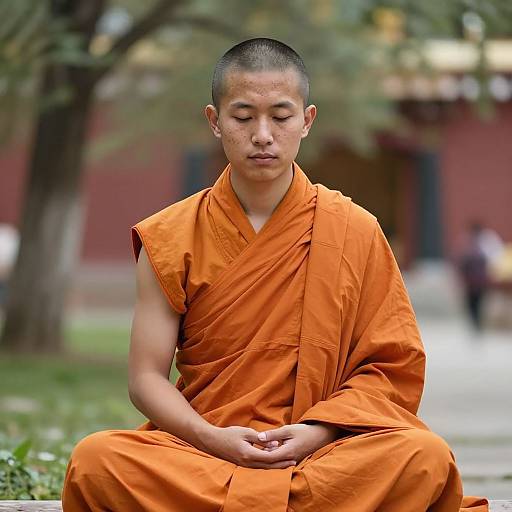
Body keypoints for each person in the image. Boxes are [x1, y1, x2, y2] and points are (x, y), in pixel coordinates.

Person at [61, 38, 488, 512]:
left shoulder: (355, 230)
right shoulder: (171, 235)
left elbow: (390, 367)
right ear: (214, 121)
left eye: (280, 117)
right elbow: (145, 377)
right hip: (205, 452)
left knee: (422, 457)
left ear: (306, 121)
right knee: (97, 460)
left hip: (324, 453)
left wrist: (318, 431)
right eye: (243, 117)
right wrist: (211, 438)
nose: (262, 135)